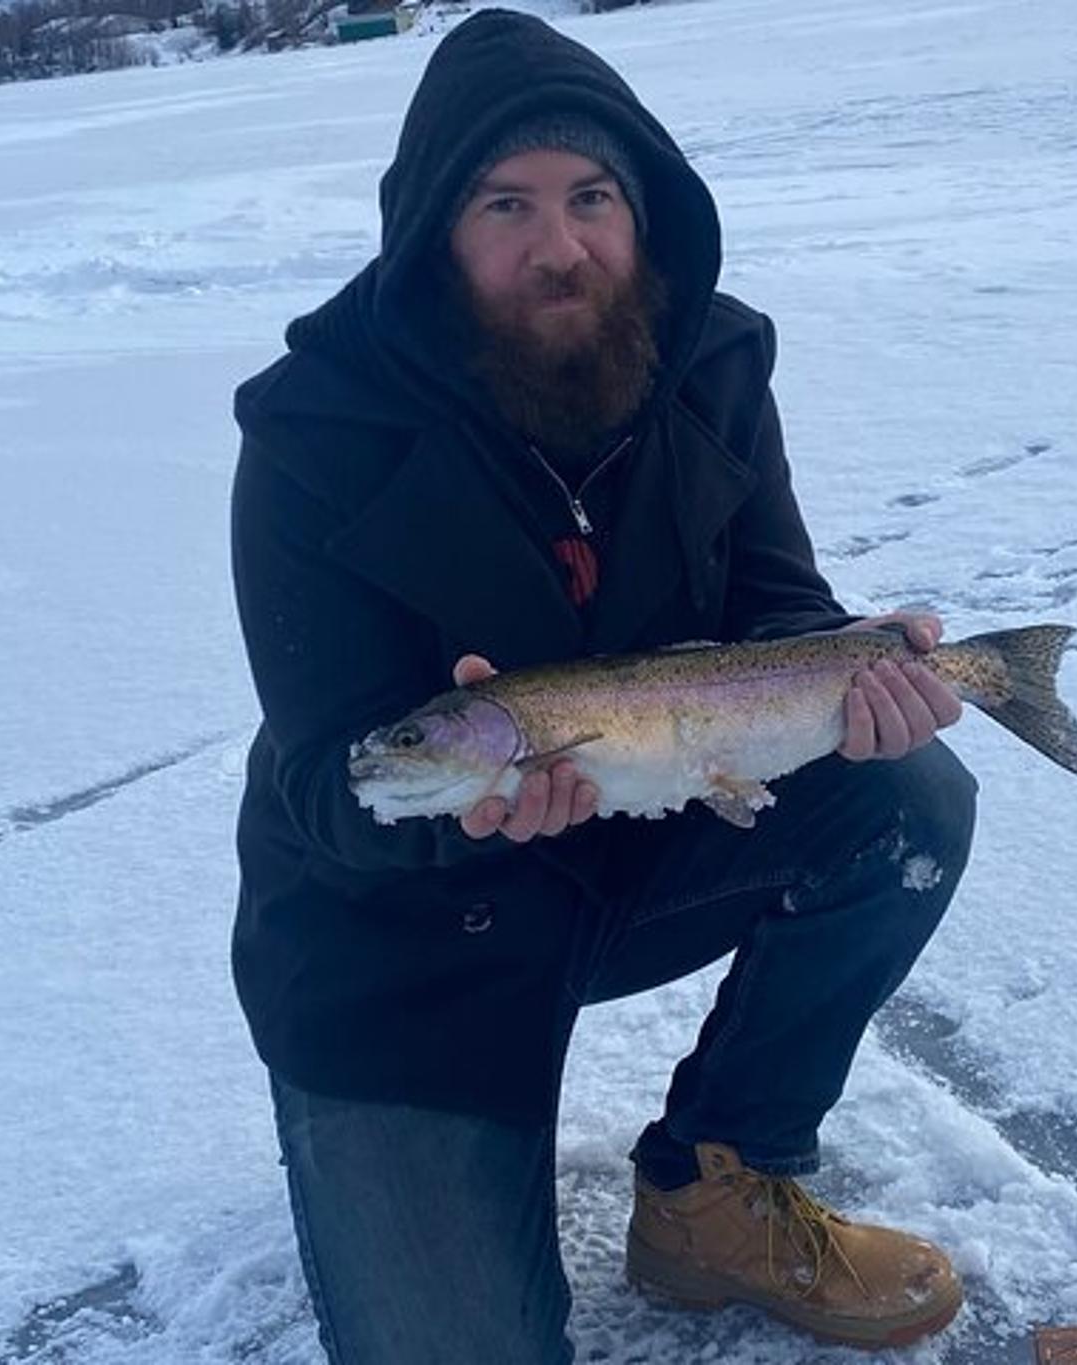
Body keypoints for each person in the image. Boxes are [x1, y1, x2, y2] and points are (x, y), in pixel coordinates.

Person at [228, 9, 980, 1360]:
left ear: (644, 215)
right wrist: (458, 811)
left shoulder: (710, 361)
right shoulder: (312, 435)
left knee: (906, 798)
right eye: (504, 204)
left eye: (591, 198)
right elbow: (325, 774)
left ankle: (714, 1188)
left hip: (637, 833)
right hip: (402, 947)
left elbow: (775, 604)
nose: (559, 246)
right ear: (435, 234)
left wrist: (849, 673)